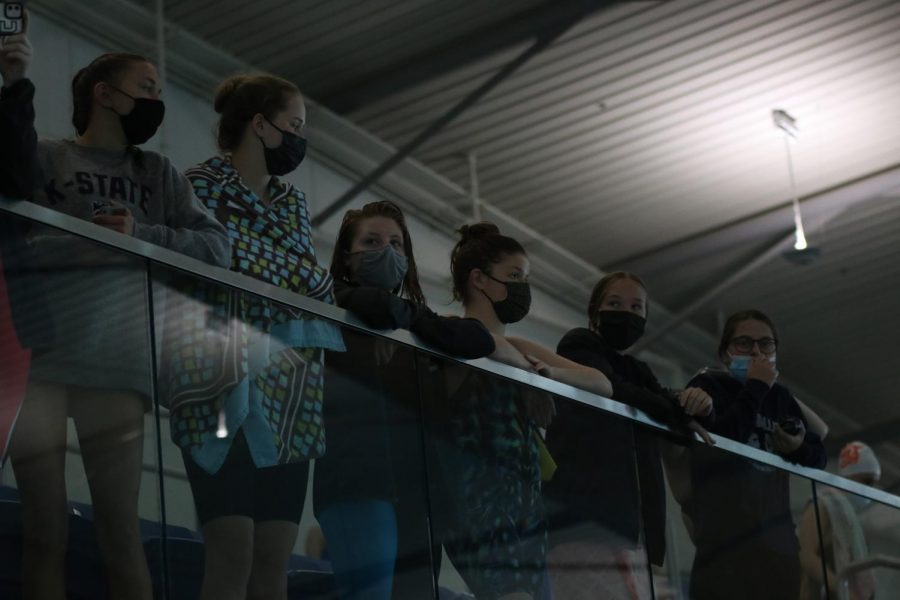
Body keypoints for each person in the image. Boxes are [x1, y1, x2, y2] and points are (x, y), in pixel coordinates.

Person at [0, 12, 230, 600]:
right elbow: (15, 238)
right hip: (44, 355)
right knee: (44, 527)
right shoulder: (46, 155)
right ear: (104, 94)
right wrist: (88, 239)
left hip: (119, 363)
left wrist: (142, 235)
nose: (157, 99)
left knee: (119, 528)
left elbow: (216, 248)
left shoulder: (157, 172)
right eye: (148, 87)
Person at [162, 73, 344, 600]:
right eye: (295, 125)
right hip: (216, 380)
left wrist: (288, 274)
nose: (299, 137)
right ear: (261, 126)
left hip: (291, 395)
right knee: (231, 553)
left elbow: (316, 284)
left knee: (273, 565)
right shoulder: (198, 184)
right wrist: (294, 274)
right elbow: (226, 253)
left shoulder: (294, 205)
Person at [314, 200, 496, 600]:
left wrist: (409, 320)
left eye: (397, 244)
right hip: (356, 482)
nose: (387, 251)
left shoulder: (410, 323)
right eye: (372, 241)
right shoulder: (330, 297)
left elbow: (478, 338)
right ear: (347, 255)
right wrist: (415, 321)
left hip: (415, 494)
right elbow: (375, 305)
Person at [434, 222, 612, 600]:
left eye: (525, 278)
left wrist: (546, 374)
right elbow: (481, 343)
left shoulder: (518, 346)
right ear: (479, 279)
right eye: (514, 276)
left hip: (526, 506)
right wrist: (524, 370)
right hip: (479, 504)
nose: (522, 288)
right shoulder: (453, 335)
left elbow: (601, 383)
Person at [544, 271, 714, 600]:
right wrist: (671, 407)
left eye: (637, 307)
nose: (626, 313)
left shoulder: (639, 370)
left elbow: (672, 412)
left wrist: (698, 407)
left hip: (630, 527)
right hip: (586, 519)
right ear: (595, 311)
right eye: (615, 303)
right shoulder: (578, 345)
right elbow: (614, 390)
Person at [684, 309, 826, 600]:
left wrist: (796, 447)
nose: (757, 351)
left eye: (766, 344)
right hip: (725, 546)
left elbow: (818, 455)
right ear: (725, 353)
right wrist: (757, 386)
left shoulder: (780, 398)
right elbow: (720, 444)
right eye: (745, 343)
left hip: (778, 548)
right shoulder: (708, 387)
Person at [798, 441, 880, 600]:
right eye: (867, 481)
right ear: (850, 476)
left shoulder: (850, 521)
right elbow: (805, 555)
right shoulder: (823, 506)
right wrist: (842, 588)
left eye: (873, 484)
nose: (870, 490)